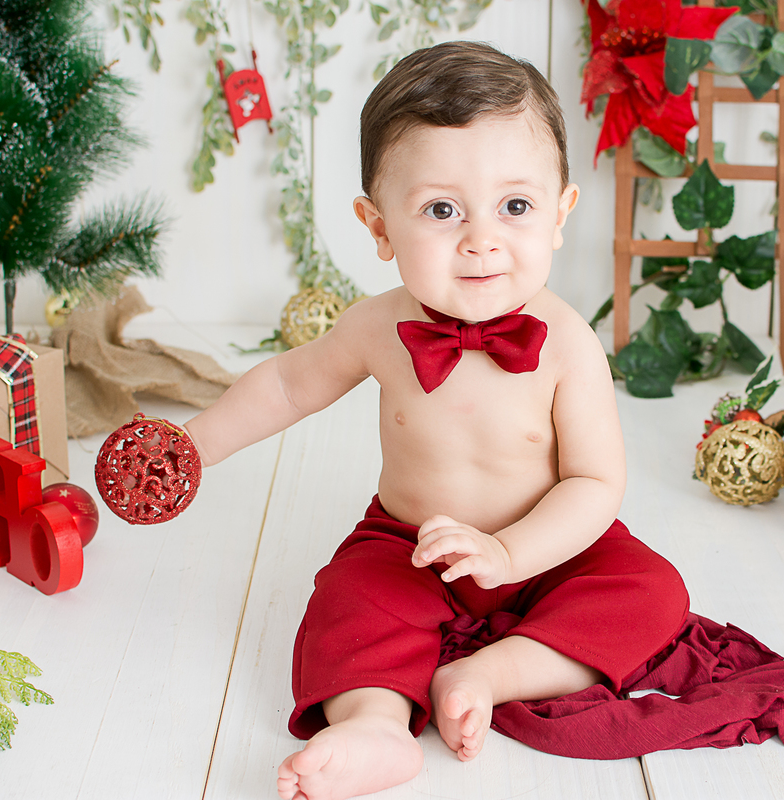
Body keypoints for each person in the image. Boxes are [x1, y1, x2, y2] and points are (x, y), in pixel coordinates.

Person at [183, 41, 690, 800]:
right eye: (441, 210)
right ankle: (376, 725)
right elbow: (288, 386)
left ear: (559, 214)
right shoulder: (376, 326)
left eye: (514, 206)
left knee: (653, 591)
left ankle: (488, 673)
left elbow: (594, 482)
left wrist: (510, 552)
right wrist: (191, 445)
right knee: (348, 603)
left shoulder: (568, 344)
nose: (481, 239)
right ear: (379, 226)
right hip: (412, 543)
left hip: (550, 546)